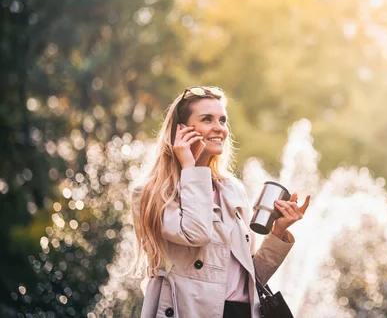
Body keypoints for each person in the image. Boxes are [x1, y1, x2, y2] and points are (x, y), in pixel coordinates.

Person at [130, 86, 310, 318]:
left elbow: (249, 280)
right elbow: (196, 233)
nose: (219, 128)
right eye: (207, 119)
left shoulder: (232, 190)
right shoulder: (150, 193)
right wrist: (190, 167)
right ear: (181, 131)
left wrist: (279, 232)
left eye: (222, 120)